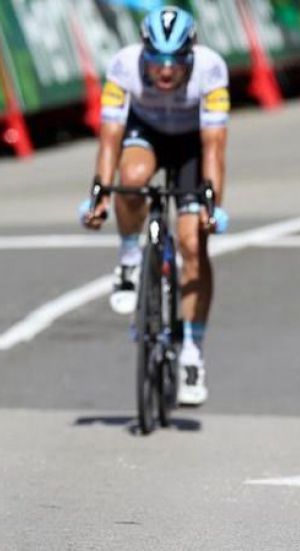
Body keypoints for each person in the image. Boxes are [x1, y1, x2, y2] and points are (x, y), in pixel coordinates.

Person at [81, 6, 230, 406]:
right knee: (130, 179)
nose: (165, 71)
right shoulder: (122, 66)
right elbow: (110, 138)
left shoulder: (211, 69)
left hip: (192, 145)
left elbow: (214, 148)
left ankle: (192, 353)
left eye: (175, 61)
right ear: (143, 52)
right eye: (157, 60)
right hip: (144, 132)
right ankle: (130, 257)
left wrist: (211, 205)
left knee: (193, 245)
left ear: (190, 56)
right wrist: (99, 194)